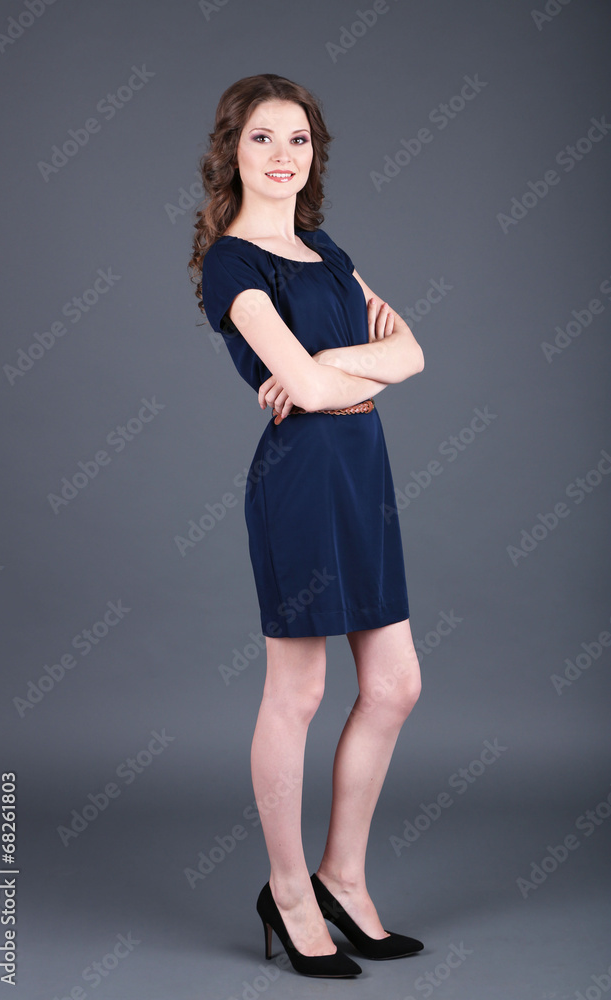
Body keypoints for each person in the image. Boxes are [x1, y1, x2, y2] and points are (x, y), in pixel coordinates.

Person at [189, 73, 425, 980]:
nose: (282, 155)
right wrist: (350, 368)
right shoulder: (231, 264)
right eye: (262, 137)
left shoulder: (325, 250)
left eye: (298, 138)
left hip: (363, 471)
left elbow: (413, 353)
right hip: (299, 480)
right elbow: (327, 383)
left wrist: (330, 366)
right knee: (297, 694)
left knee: (394, 684)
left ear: (314, 152)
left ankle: (343, 879)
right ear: (231, 152)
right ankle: (288, 892)